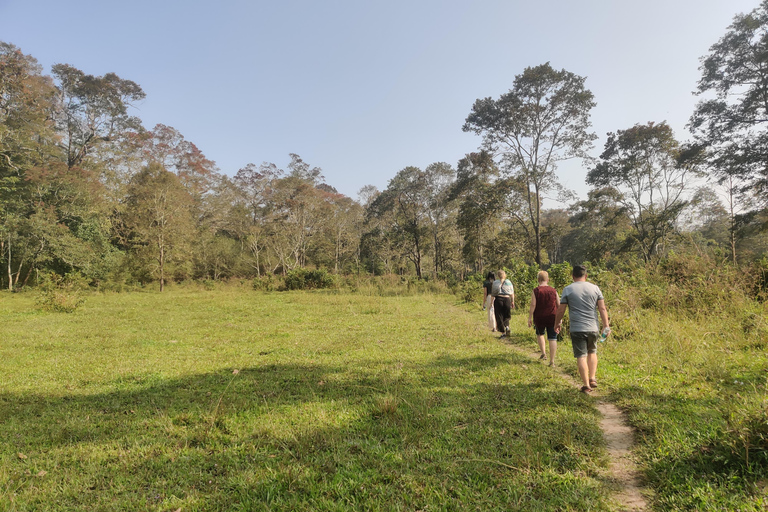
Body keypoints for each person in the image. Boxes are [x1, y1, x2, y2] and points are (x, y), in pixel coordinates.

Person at [554, 265, 610, 394]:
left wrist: (557, 324)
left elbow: (561, 310)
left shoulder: (568, 289)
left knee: (581, 356)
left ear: (573, 276)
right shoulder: (595, 288)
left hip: (577, 328)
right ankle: (592, 378)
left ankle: (586, 385)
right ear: (586, 276)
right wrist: (606, 326)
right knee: (592, 352)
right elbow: (602, 309)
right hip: (593, 328)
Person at [528, 270, 559, 366]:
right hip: (552, 317)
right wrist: (560, 318)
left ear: (538, 280)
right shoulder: (553, 290)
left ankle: (543, 353)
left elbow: (533, 305)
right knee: (552, 338)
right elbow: (559, 304)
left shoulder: (536, 291)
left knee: (540, 334)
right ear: (548, 279)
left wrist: (530, 317)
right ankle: (552, 361)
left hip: (539, 317)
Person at [492, 270, 514, 338]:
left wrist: (491, 303)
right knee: (507, 315)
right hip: (507, 299)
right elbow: (512, 293)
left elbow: (493, 293)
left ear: (498, 276)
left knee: (499, 316)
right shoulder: (508, 282)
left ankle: (503, 332)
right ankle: (507, 326)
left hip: (498, 299)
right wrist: (512, 301)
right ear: (505, 275)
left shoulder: (495, 282)